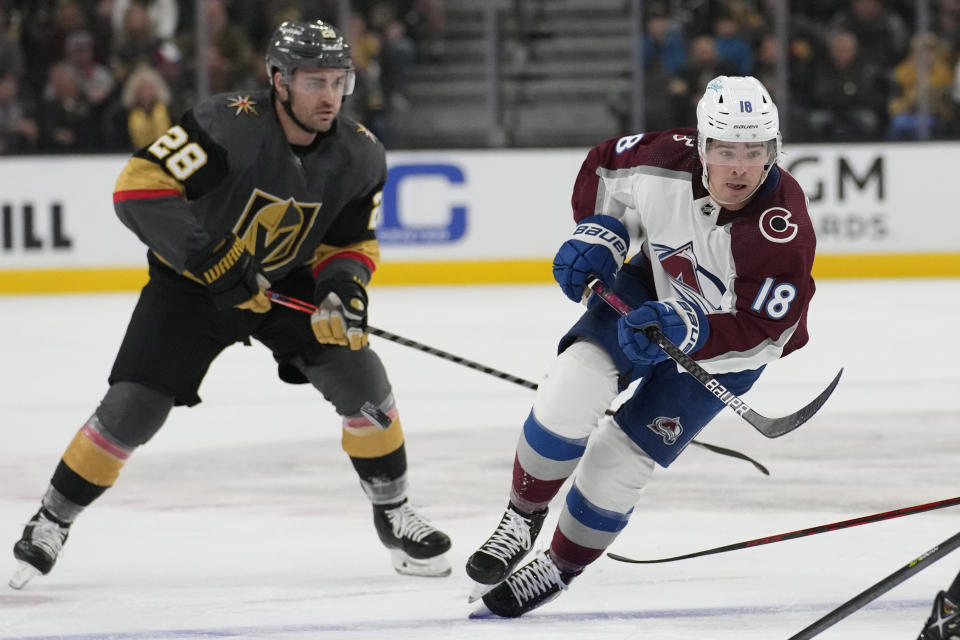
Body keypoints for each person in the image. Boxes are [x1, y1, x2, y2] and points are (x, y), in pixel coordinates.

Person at [9, 18, 452, 590]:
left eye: (339, 81)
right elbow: (138, 188)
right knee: (132, 409)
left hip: (287, 285)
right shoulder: (228, 126)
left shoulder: (360, 154)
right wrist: (208, 256)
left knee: (367, 392)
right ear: (278, 80)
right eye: (314, 82)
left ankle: (393, 514)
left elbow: (349, 242)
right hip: (190, 286)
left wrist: (344, 287)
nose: (330, 96)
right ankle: (52, 519)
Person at [465, 75, 817, 618]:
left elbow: (767, 328)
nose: (741, 167)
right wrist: (602, 231)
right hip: (647, 290)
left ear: (775, 150)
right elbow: (604, 165)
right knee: (573, 382)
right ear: (701, 146)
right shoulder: (663, 157)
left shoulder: (781, 228)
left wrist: (691, 328)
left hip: (729, 351)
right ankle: (522, 514)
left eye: (756, 151)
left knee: (620, 460)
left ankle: (559, 566)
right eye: (726, 150)